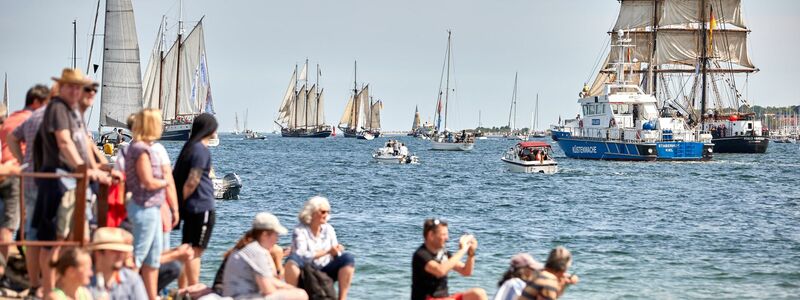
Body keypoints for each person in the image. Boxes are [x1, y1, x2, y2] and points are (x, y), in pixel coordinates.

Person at [32, 68, 94, 296]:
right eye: (71, 86)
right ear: (63, 87)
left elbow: (82, 145)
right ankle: (48, 289)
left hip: (70, 180)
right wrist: (84, 169)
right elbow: (64, 142)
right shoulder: (58, 107)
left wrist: (91, 169)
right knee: (52, 239)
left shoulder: (72, 111)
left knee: (71, 237)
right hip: (58, 179)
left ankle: (63, 286)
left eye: (79, 87)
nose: (76, 90)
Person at [8, 83, 52, 297]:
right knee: (21, 227)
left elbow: (10, 139)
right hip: (23, 176)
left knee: (24, 227)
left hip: (17, 175)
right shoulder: (35, 118)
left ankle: (28, 277)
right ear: (36, 102)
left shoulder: (13, 118)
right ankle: (37, 280)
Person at [0, 85, 47, 260]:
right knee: (11, 224)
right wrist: (23, 162)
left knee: (8, 220)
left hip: (3, 170)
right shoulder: (32, 120)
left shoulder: (11, 118)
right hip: (17, 173)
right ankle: (3, 269)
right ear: (36, 103)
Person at [125, 108, 167, 300]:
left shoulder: (142, 148)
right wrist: (166, 181)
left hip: (152, 207)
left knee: (152, 258)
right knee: (138, 257)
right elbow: (147, 181)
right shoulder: (140, 149)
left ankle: (150, 296)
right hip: (144, 207)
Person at [173, 113, 218, 288]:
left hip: (191, 207)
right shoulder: (201, 150)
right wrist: (182, 201)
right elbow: (193, 180)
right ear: (210, 129)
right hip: (201, 206)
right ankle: (193, 289)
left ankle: (182, 290)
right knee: (195, 250)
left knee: (187, 249)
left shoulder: (189, 147)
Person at [222, 212, 308, 300]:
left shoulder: (248, 248)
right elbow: (268, 289)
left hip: (237, 295)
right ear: (265, 234)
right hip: (242, 297)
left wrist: (290, 288)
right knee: (301, 295)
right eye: (276, 234)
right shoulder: (257, 251)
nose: (277, 239)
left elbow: (269, 280)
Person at [284, 196, 355, 300]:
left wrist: (336, 252)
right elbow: (301, 255)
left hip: (325, 268)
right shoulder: (300, 229)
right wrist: (327, 252)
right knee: (291, 260)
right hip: (305, 269)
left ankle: (342, 298)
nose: (326, 215)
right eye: (323, 212)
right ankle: (294, 295)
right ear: (312, 212)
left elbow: (334, 254)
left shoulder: (329, 229)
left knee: (347, 258)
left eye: (327, 212)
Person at [411, 218, 486, 300]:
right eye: (443, 234)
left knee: (478, 294)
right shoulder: (421, 254)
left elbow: (466, 271)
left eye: (447, 234)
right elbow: (440, 271)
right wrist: (462, 250)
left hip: (445, 298)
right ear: (431, 235)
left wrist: (471, 253)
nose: (447, 238)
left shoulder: (444, 253)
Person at [87, 227, 147, 300]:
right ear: (98, 254)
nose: (120, 255)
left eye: (122, 251)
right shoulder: (84, 280)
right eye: (114, 251)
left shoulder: (132, 280)